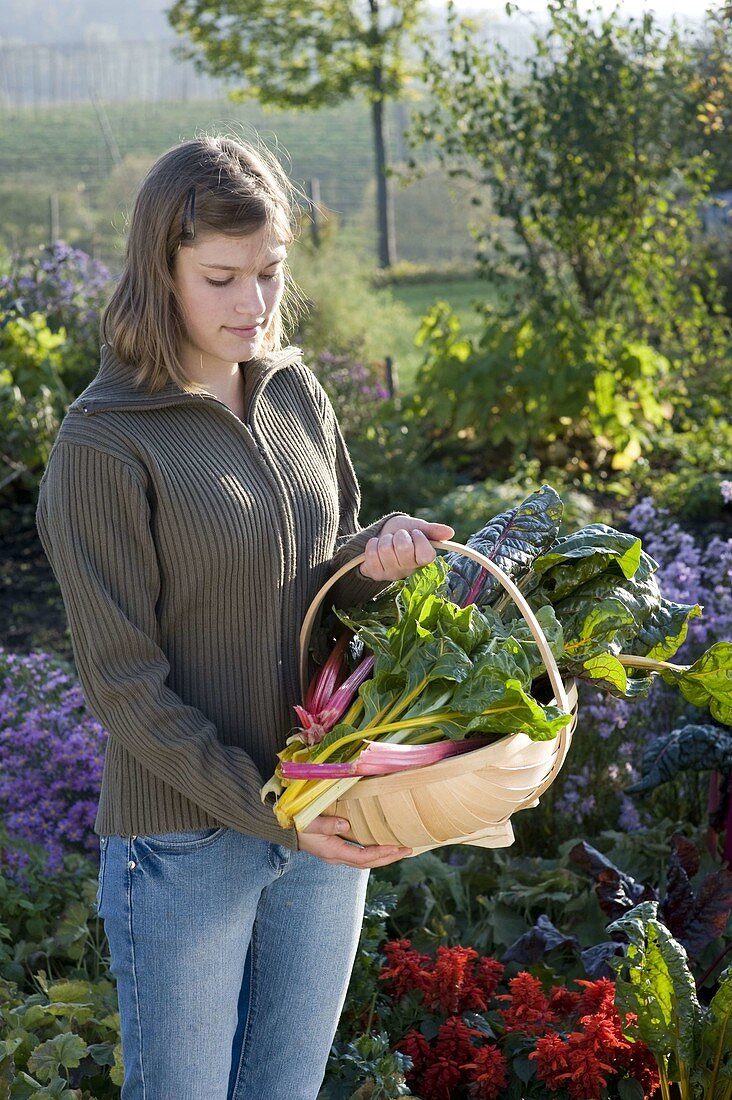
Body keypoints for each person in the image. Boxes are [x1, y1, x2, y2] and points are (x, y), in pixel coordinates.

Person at [35, 133, 454, 1100]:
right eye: (220, 278)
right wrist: (271, 810)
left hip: (324, 819)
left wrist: (379, 559)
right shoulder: (104, 444)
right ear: (161, 272)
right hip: (187, 841)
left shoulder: (294, 393)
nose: (252, 305)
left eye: (269, 273)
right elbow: (125, 688)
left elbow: (327, 588)